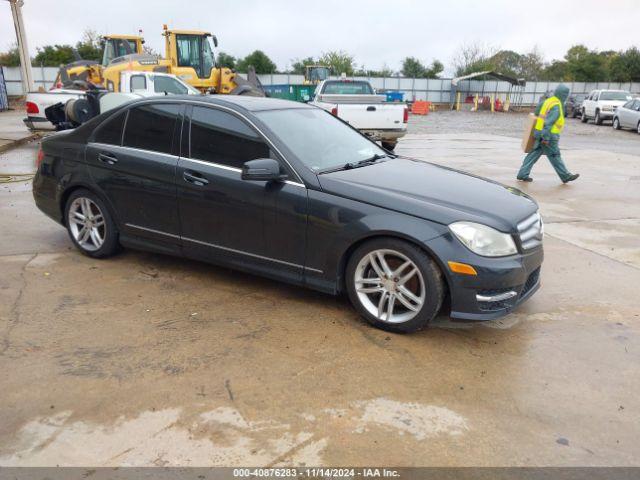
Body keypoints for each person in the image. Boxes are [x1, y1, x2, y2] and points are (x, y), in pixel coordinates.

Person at [517, 84, 579, 184]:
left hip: (539, 133)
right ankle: (565, 176)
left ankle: (522, 174)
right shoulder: (557, 105)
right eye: (566, 94)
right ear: (563, 95)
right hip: (549, 136)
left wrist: (540, 133)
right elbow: (548, 123)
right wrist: (545, 138)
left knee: (533, 154)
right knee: (555, 156)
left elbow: (537, 112)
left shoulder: (549, 101)